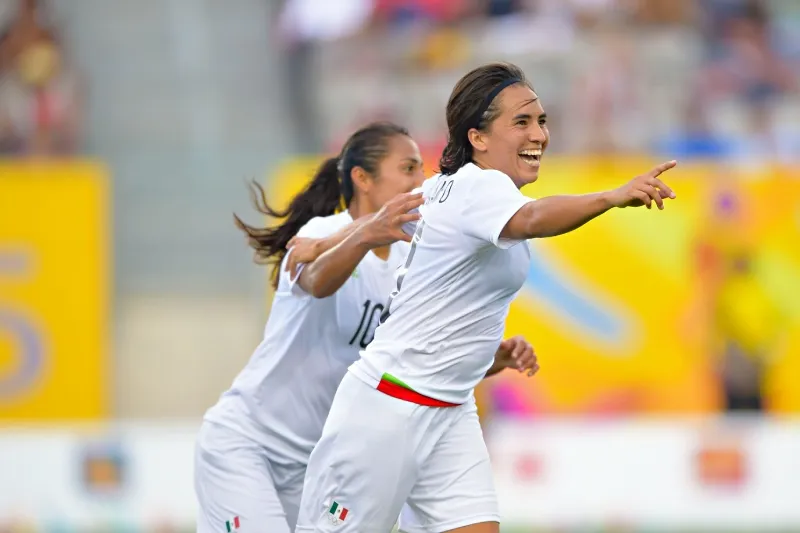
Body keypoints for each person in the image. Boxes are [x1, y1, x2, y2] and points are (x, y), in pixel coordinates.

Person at [295, 62, 678, 533]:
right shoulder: (481, 186)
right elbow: (534, 219)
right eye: (521, 122)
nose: (538, 133)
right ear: (477, 137)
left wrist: (485, 352)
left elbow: (396, 218)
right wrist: (612, 197)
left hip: (450, 411)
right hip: (388, 410)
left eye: (542, 120)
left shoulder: (448, 190)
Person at [194, 121, 539, 533]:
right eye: (408, 168)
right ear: (363, 179)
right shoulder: (321, 233)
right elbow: (316, 282)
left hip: (321, 457)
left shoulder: (408, 261)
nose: (418, 181)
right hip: (250, 446)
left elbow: (407, 360)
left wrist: (489, 359)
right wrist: (363, 236)